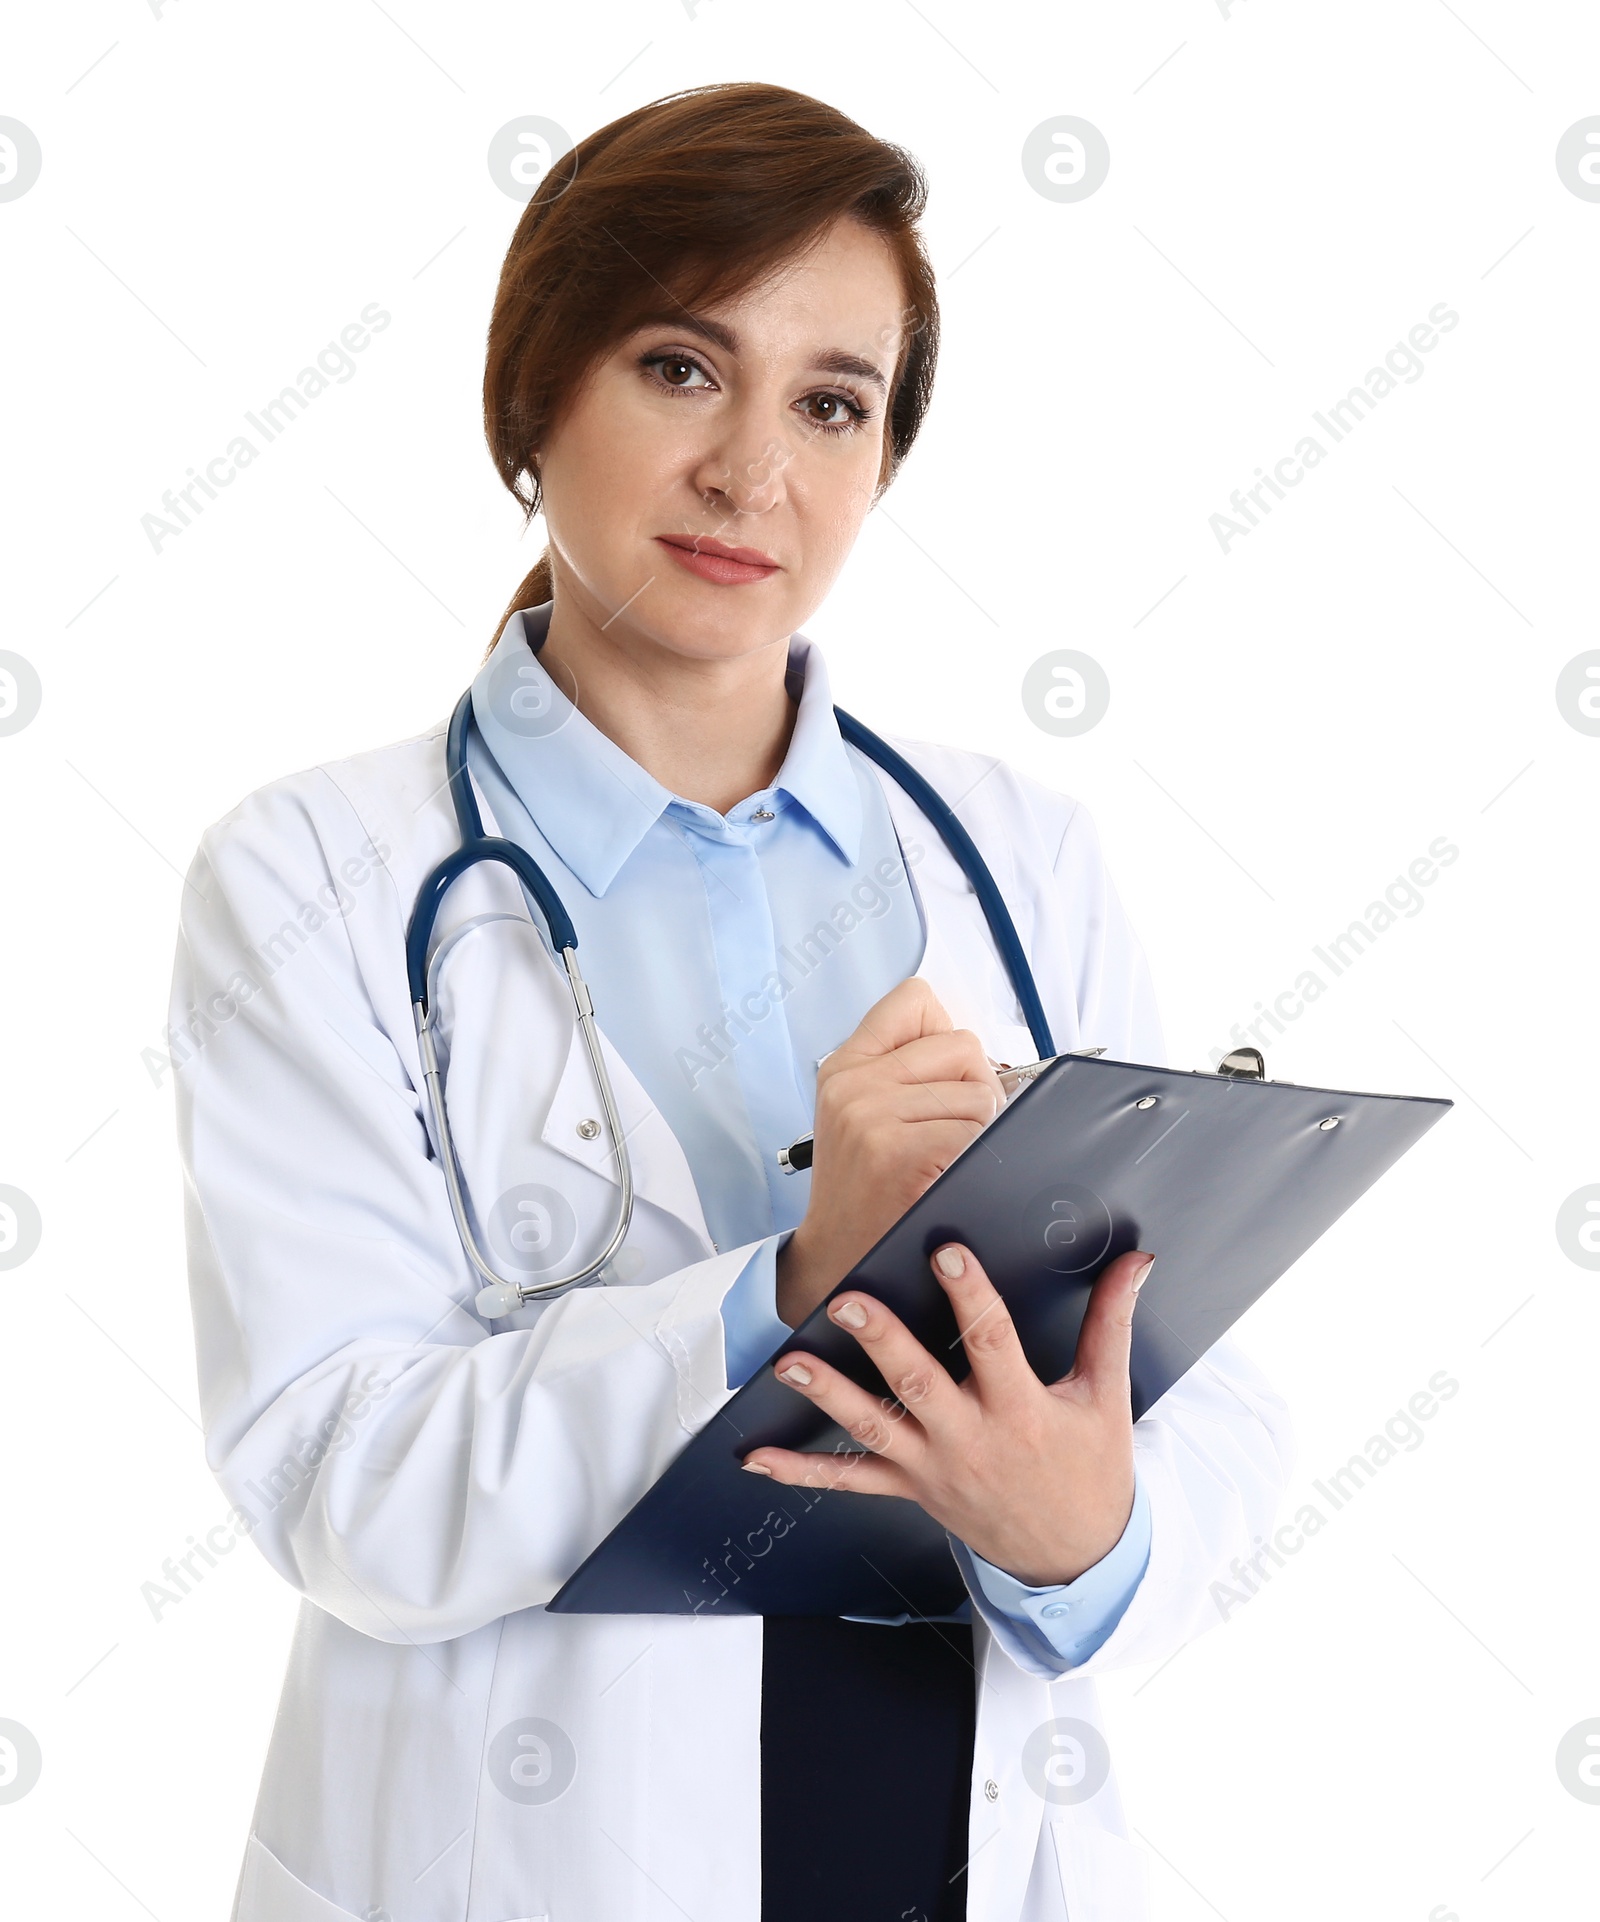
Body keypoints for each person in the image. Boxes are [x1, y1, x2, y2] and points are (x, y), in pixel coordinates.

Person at [173, 81, 1292, 1922]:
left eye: (831, 403)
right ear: (535, 395)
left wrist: (1086, 1531)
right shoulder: (317, 881)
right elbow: (337, 1473)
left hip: (958, 1824)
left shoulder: (1023, 853)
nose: (753, 469)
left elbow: (1212, 1400)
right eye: (683, 369)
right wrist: (785, 1288)